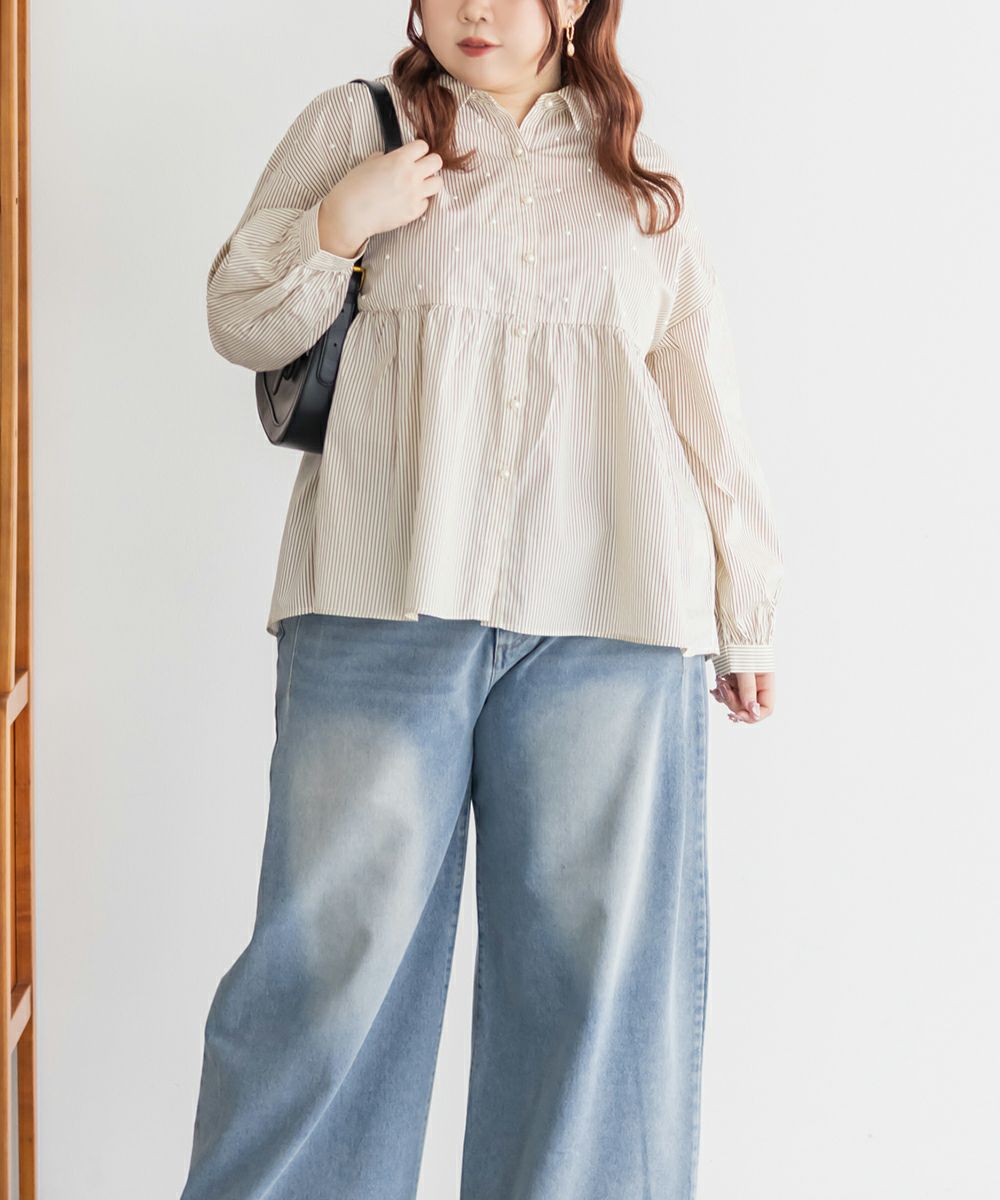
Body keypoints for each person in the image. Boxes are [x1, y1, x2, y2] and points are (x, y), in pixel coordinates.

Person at [179, 0, 784, 1197]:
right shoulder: (358, 126)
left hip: (612, 620)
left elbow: (703, 404)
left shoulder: (638, 174)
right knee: (327, 969)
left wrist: (746, 608)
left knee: (592, 985)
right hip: (377, 602)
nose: (474, 9)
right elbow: (242, 320)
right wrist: (340, 222)